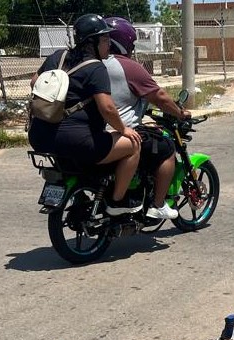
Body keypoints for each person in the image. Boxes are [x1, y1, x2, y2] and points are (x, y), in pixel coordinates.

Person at [27, 14, 142, 215]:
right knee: (133, 145)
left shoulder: (58, 56)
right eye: (105, 40)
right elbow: (107, 108)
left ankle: (80, 194)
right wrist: (124, 129)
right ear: (92, 42)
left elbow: (34, 81)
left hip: (40, 137)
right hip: (76, 140)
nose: (108, 44)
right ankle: (117, 202)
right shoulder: (96, 68)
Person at [103, 16, 193, 221]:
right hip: (122, 132)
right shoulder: (128, 66)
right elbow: (160, 97)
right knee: (166, 148)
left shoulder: (92, 63)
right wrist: (179, 112)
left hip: (94, 132)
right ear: (125, 42)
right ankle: (158, 205)